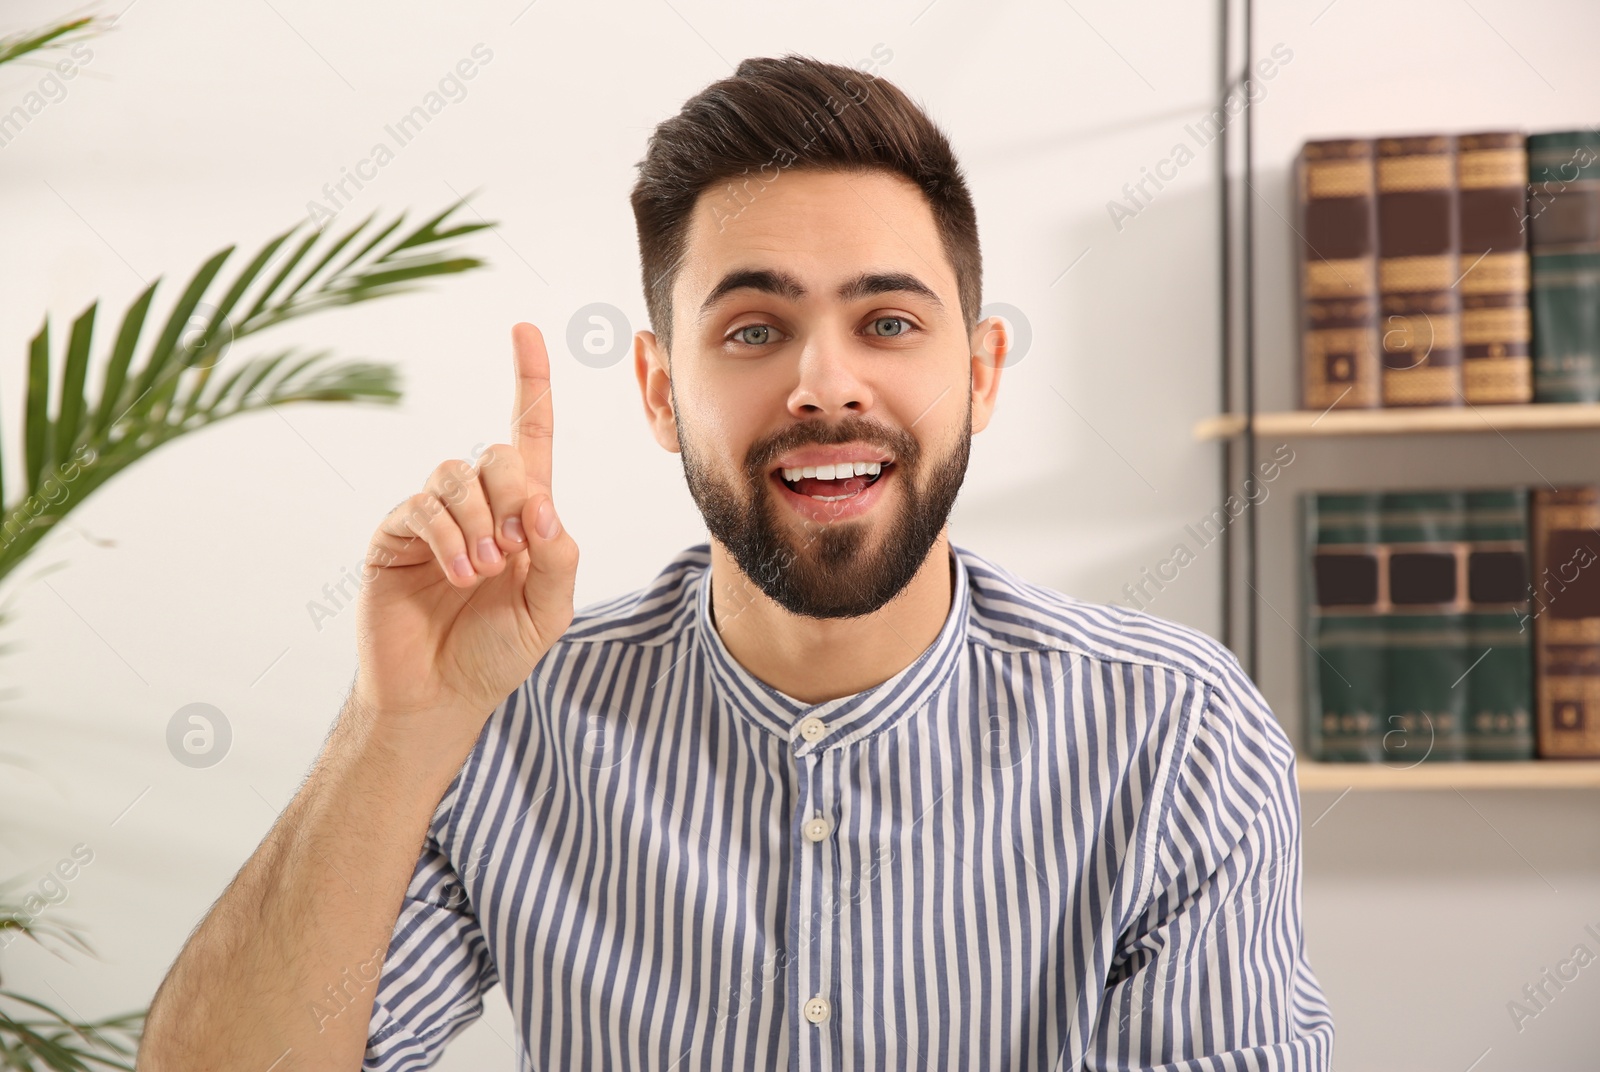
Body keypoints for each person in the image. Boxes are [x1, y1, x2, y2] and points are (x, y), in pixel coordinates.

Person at [141, 54, 1333, 1071]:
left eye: (889, 322)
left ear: (980, 373)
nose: (824, 382)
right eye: (754, 329)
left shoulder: (1175, 731)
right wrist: (394, 724)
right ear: (662, 392)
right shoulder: (508, 719)